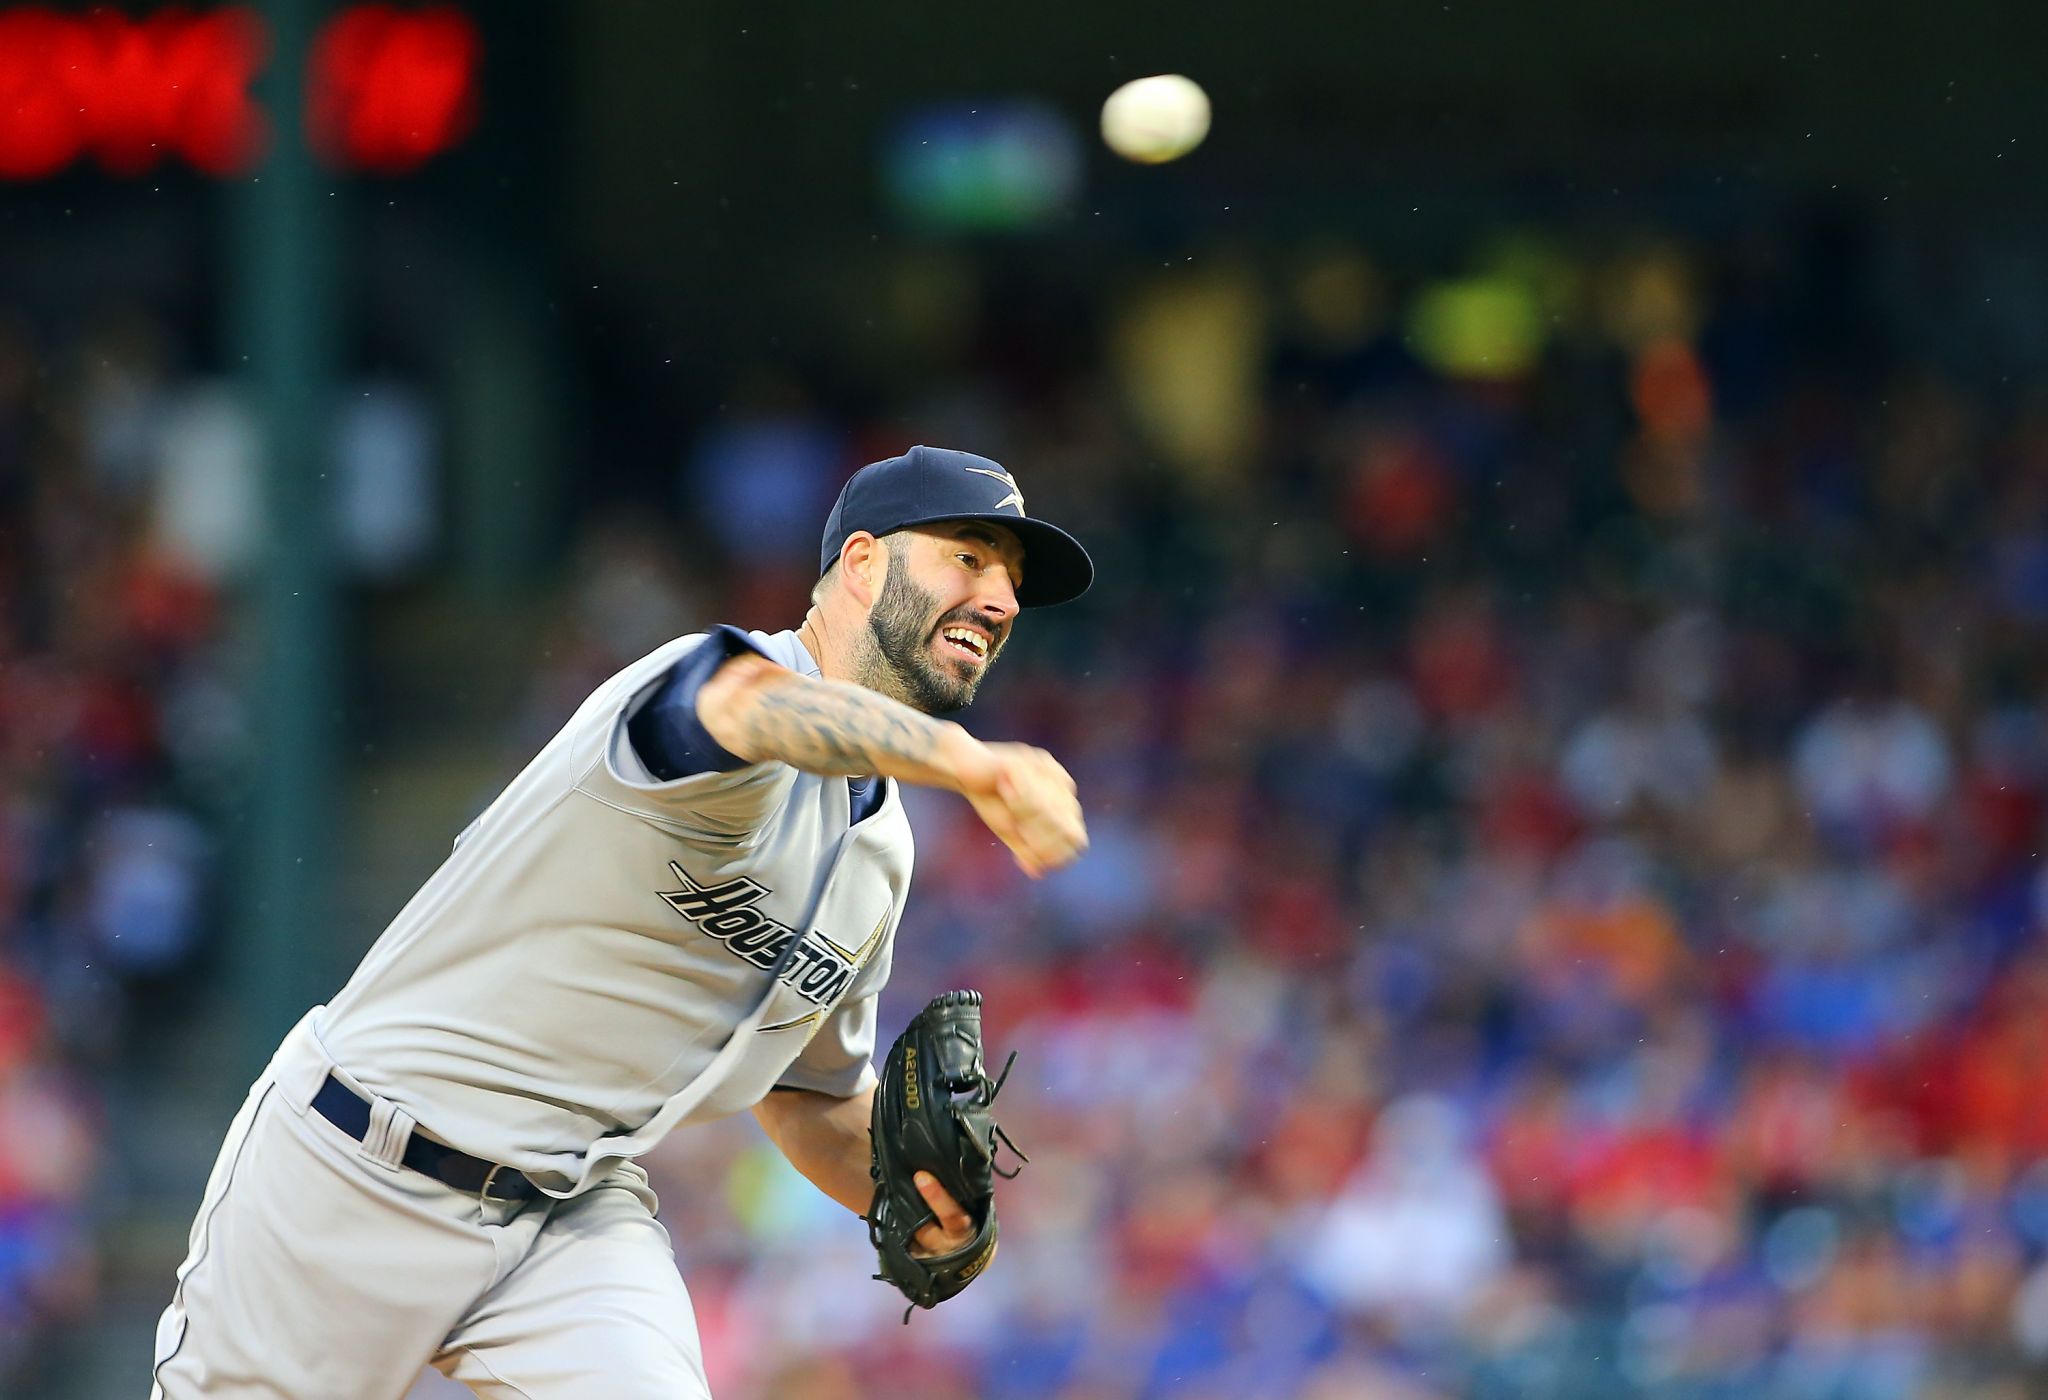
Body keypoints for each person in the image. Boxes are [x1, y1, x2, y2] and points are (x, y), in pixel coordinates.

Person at [150, 445, 1094, 1399]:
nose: (1002, 599)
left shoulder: (880, 852)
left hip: (571, 1213)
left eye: (1012, 582)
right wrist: (970, 761)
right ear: (860, 563)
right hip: (357, 1161)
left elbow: (807, 1094)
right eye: (969, 557)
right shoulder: (729, 677)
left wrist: (920, 1204)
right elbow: (746, 711)